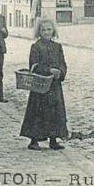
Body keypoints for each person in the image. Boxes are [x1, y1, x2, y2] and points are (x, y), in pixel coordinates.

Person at [20, 18, 69, 151]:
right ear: (39, 32)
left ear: (53, 31)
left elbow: (63, 63)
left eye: (49, 29)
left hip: (54, 85)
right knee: (38, 112)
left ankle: (53, 139)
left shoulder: (57, 47)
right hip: (40, 85)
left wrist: (61, 72)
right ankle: (34, 139)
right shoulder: (36, 47)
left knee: (55, 112)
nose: (46, 32)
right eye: (43, 30)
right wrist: (48, 70)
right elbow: (34, 66)